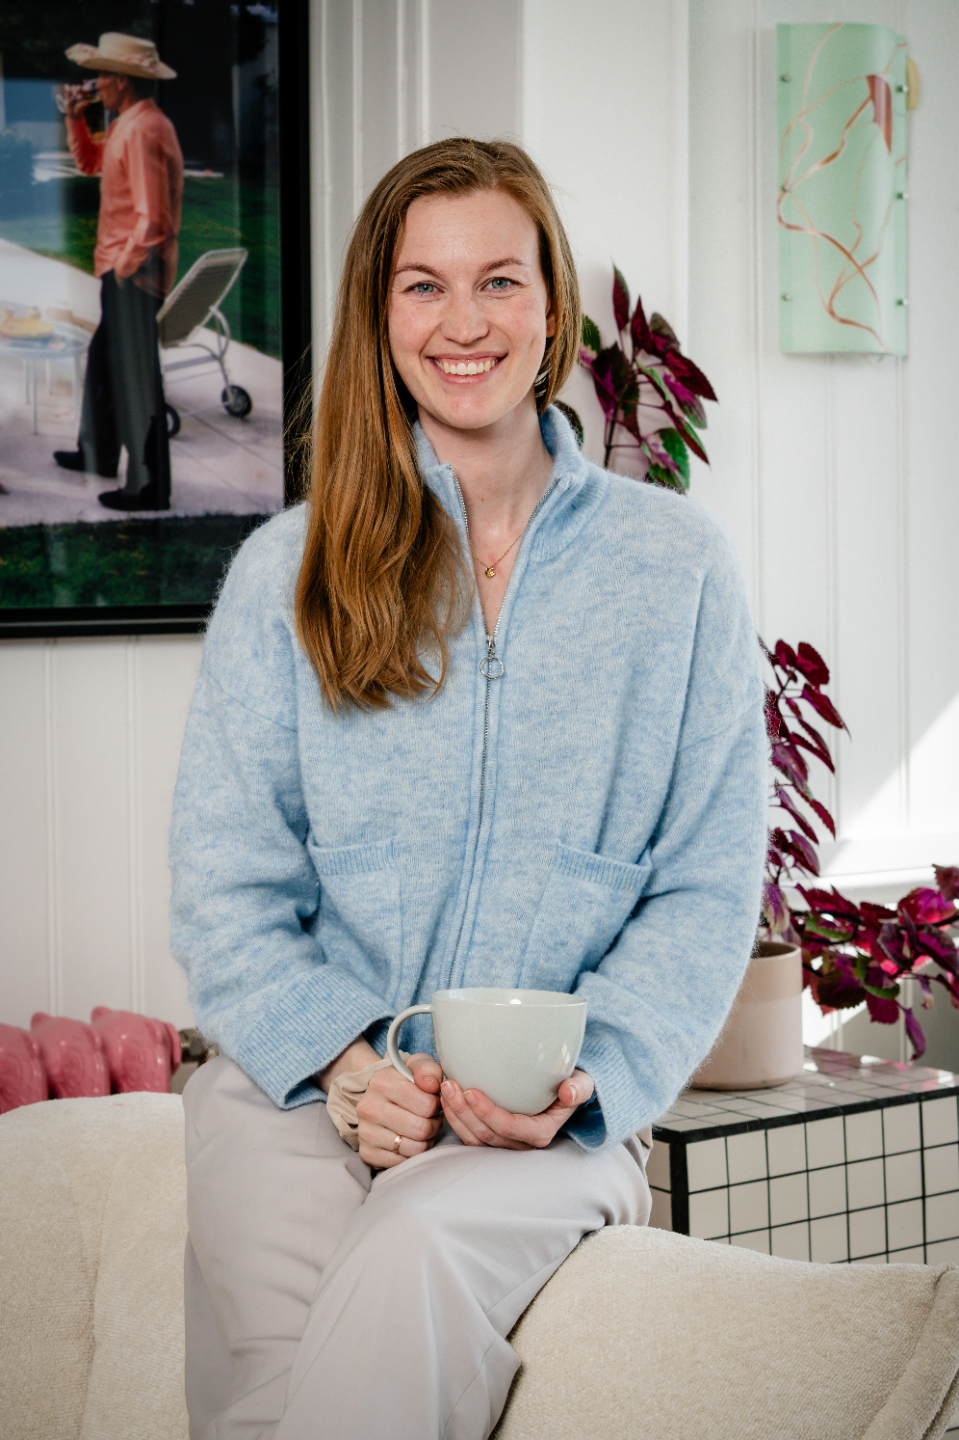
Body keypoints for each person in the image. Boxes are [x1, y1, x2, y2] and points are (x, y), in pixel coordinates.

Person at [170, 138, 768, 1440]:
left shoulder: (673, 570)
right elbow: (227, 889)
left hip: (546, 1126)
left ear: (551, 305)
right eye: (422, 286)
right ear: (378, 316)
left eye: (497, 281)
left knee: (415, 1245)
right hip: (302, 1095)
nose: (463, 323)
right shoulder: (286, 574)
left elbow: (706, 883)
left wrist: (588, 1077)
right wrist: (345, 1065)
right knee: (274, 1378)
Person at [54, 33, 183, 512]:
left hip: (133, 273)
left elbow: (155, 219)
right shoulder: (128, 123)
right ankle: (98, 453)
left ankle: (148, 488)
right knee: (105, 363)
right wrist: (75, 117)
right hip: (122, 269)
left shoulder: (144, 129)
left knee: (135, 379)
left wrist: (123, 269)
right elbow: (90, 163)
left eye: (101, 76)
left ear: (123, 80)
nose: (95, 84)